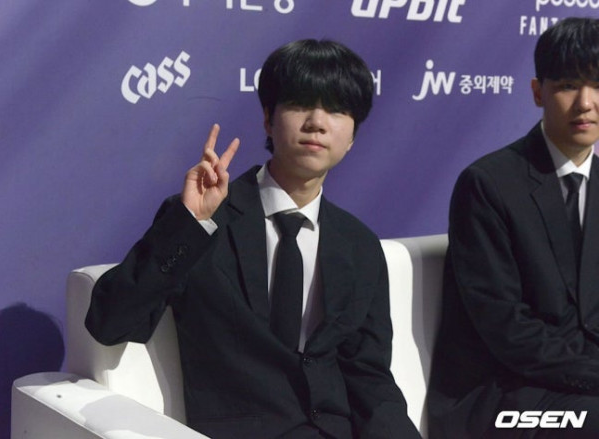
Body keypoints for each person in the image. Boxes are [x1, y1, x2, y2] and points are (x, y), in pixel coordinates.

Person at [85, 39, 420, 439]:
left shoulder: (359, 244)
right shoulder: (206, 220)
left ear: (352, 136)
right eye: (300, 104)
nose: (317, 122)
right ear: (267, 118)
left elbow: (369, 376)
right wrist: (191, 224)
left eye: (336, 109)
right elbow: (109, 323)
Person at [428, 17, 599, 438]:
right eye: (568, 85)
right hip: (506, 392)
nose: (585, 103)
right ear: (538, 92)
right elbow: (507, 329)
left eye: (597, 85)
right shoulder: (488, 184)